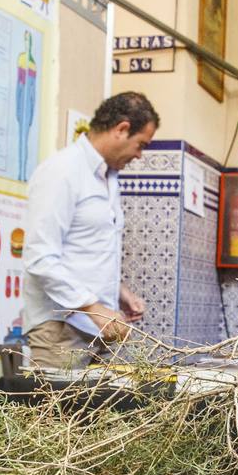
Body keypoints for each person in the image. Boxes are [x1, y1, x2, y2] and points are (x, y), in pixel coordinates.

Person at [22, 92, 157, 369]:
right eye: (140, 144)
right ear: (121, 129)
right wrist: (93, 308)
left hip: (100, 330)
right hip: (60, 330)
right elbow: (40, 257)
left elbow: (85, 250)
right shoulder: (62, 171)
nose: (139, 155)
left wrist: (119, 292)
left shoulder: (109, 179)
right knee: (58, 413)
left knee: (105, 412)